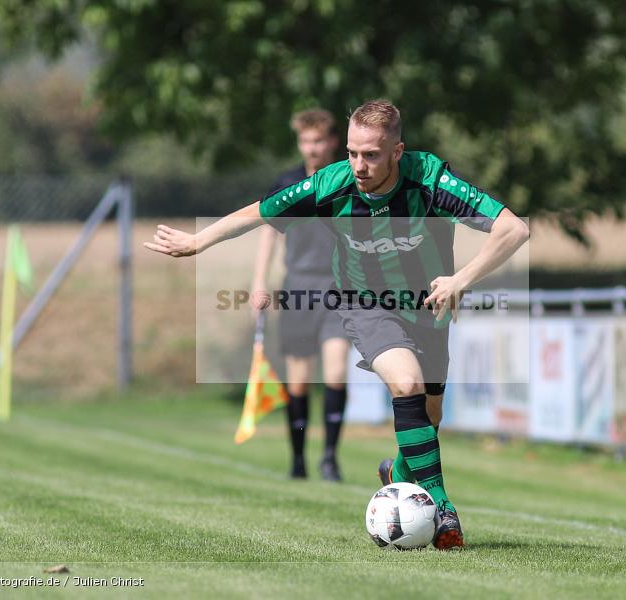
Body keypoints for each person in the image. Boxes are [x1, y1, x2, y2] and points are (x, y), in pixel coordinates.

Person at [144, 100, 530, 550]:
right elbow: (260, 212)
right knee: (405, 384)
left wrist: (461, 279)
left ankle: (399, 473)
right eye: (351, 152)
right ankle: (441, 508)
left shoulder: (429, 180)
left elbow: (514, 229)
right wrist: (198, 240)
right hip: (364, 302)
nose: (358, 166)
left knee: (430, 416)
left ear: (397, 151)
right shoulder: (332, 183)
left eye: (370, 155)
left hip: (427, 307)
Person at [250, 108, 351, 482]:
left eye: (318, 141)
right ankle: (297, 459)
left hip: (341, 287)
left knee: (337, 369)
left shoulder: (346, 180)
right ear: (300, 143)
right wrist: (259, 281)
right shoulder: (288, 182)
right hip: (298, 287)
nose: (312, 148)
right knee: (299, 379)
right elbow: (268, 231)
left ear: (332, 142)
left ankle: (329, 457)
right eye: (306, 141)